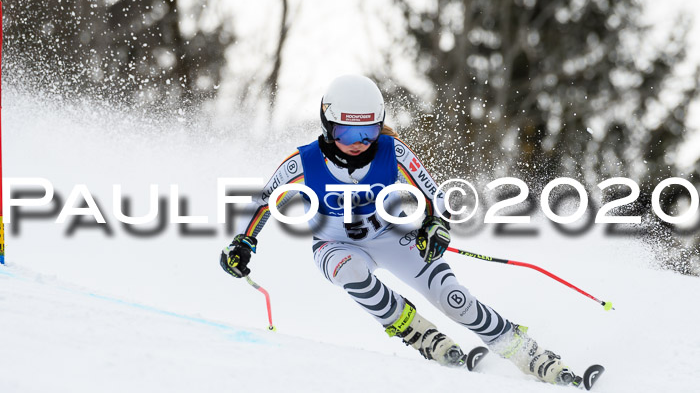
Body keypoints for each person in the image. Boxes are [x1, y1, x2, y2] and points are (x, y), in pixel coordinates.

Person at [221, 75, 578, 385]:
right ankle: (416, 331)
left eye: (369, 131)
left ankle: (527, 352)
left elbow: (435, 196)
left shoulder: (393, 152)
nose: (359, 142)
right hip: (333, 245)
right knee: (352, 272)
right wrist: (242, 243)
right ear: (328, 126)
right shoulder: (303, 162)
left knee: (453, 299)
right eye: (348, 132)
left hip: (390, 236)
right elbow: (263, 202)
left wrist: (435, 225)